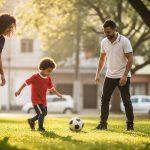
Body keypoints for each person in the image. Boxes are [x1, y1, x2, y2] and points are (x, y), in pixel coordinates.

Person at [95, 20, 134, 131]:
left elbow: (130, 59)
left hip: (123, 75)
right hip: (110, 75)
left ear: (114, 29)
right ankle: (103, 124)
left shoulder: (124, 41)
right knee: (105, 100)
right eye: (105, 32)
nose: (106, 34)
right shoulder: (104, 42)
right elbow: (102, 58)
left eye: (108, 32)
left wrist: (125, 76)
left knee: (126, 100)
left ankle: (130, 125)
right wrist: (97, 74)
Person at [15, 57, 63, 132]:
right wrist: (19, 91)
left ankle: (31, 120)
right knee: (42, 113)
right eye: (48, 71)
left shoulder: (48, 78)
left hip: (43, 100)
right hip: (36, 100)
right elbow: (25, 83)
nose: (49, 73)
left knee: (44, 113)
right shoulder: (35, 77)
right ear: (42, 68)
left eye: (51, 71)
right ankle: (40, 128)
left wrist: (58, 94)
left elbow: (51, 88)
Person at [0, 13, 16, 86]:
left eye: (12, 27)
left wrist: (2, 75)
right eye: (9, 27)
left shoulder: (2, 39)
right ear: (3, 25)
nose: (10, 30)